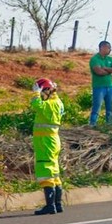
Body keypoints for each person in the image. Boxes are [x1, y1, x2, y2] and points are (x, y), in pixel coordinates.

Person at [30, 77, 65, 215]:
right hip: (53, 140)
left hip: (45, 142)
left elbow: (36, 105)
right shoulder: (58, 102)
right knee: (54, 172)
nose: (41, 94)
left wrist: (35, 93)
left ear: (48, 90)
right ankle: (58, 204)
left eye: (42, 91)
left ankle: (50, 206)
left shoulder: (50, 104)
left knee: (45, 170)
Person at [89, 40, 112, 127]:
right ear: (102, 47)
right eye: (108, 48)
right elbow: (99, 72)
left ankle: (109, 124)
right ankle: (92, 123)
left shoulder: (111, 59)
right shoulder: (95, 59)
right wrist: (110, 70)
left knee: (110, 107)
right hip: (99, 86)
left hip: (110, 86)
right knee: (97, 106)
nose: (110, 49)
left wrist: (105, 68)